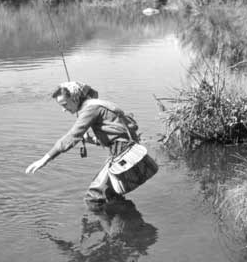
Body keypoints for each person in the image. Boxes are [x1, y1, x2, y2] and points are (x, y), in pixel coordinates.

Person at [25, 81, 156, 205]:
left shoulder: (91, 108)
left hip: (122, 152)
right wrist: (92, 140)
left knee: (93, 196)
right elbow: (116, 136)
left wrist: (45, 159)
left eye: (64, 104)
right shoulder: (95, 105)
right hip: (123, 150)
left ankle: (117, 224)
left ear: (75, 98)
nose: (64, 109)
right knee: (110, 193)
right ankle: (122, 222)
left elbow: (72, 137)